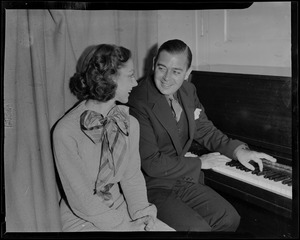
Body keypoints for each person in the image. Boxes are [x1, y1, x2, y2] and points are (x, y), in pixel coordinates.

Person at [127, 39, 277, 231]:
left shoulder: (188, 91)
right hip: (152, 186)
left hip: (182, 180)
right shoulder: (138, 100)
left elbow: (204, 129)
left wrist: (239, 151)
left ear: (188, 73)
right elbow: (151, 163)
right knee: (199, 230)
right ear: (154, 62)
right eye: (162, 68)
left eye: (176, 71)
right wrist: (201, 163)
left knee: (229, 218)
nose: (166, 78)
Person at [52, 44, 174, 231]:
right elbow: (81, 200)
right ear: (109, 78)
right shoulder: (65, 131)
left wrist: (142, 214)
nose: (135, 83)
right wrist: (125, 227)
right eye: (130, 75)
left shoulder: (130, 124)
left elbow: (132, 177)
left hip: (120, 209)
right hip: (82, 218)